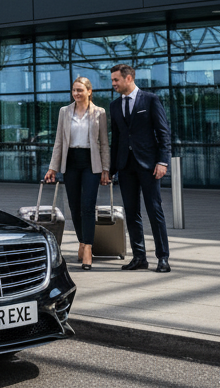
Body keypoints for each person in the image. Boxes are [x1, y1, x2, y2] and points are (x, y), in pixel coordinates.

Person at [110, 63, 171, 273]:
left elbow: (163, 132)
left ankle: (163, 257)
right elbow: (116, 139)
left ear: (128, 78)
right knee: (131, 212)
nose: (113, 84)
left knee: (155, 210)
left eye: (116, 80)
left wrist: (162, 161)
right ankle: (139, 257)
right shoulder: (115, 106)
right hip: (125, 166)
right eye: (112, 80)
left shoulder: (150, 100)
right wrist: (110, 169)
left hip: (149, 165)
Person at [44, 77, 110, 271]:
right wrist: (52, 168)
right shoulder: (64, 112)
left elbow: (104, 143)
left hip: (91, 163)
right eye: (74, 90)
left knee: (87, 206)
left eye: (80, 90)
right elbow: (59, 142)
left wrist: (106, 169)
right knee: (74, 206)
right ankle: (82, 241)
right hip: (70, 161)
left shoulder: (100, 113)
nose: (76, 94)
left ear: (89, 91)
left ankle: (88, 248)